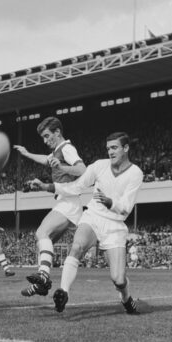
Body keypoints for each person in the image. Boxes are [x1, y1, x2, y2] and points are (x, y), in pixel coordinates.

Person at [29, 132, 143, 314]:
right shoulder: (99, 166)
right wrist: (48, 186)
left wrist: (111, 203)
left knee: (118, 279)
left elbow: (127, 207)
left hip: (115, 226)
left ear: (126, 148)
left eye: (114, 148)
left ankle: (126, 298)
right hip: (93, 217)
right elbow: (77, 186)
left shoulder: (136, 173)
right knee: (77, 246)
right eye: (108, 148)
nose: (110, 152)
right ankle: (63, 292)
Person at [13, 116, 86, 297]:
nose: (45, 141)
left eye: (47, 136)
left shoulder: (66, 149)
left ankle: (43, 277)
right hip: (67, 203)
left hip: (68, 203)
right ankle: (42, 285)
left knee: (41, 233)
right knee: (45, 244)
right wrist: (27, 153)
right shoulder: (57, 151)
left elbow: (83, 170)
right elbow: (46, 160)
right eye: (43, 138)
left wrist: (61, 166)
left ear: (57, 132)